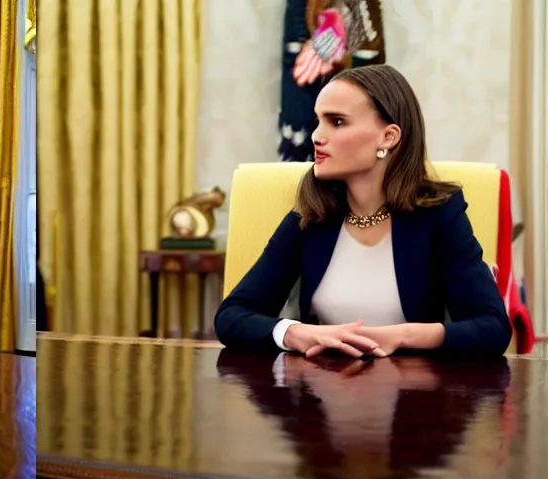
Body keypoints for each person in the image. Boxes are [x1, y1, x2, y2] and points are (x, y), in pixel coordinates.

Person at [216, 65, 510, 357]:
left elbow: (492, 328)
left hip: (415, 396)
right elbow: (232, 316)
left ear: (388, 137)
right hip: (319, 388)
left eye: (338, 122)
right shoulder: (310, 215)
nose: (317, 136)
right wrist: (295, 333)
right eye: (318, 121)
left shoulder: (439, 214)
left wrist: (404, 335)